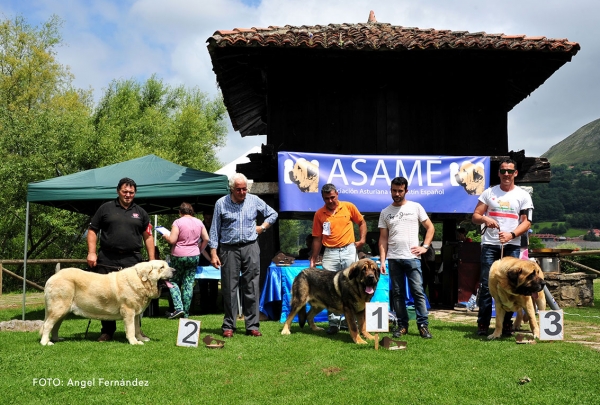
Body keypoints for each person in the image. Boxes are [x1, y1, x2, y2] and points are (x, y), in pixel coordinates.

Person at [209, 173, 278, 338]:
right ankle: (229, 326)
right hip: (228, 248)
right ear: (231, 189)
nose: (242, 192)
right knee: (229, 287)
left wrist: (262, 227)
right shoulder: (221, 203)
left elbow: (273, 214)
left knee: (252, 286)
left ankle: (252, 325)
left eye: (244, 189)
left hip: (250, 246)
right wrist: (213, 252)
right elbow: (214, 229)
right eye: (238, 189)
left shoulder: (254, 200)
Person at [87, 177, 155, 342]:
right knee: (107, 295)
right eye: (125, 191)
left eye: (131, 192)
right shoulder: (105, 208)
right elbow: (92, 230)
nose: (128, 194)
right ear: (118, 191)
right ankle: (107, 331)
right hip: (107, 257)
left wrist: (152, 260)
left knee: (136, 296)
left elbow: (148, 236)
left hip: (133, 260)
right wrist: (92, 252)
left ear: (135, 193)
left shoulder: (141, 212)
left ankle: (136, 332)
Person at [472, 158, 533, 336]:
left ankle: (506, 325)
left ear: (516, 173)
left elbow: (527, 222)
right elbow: (475, 216)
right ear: (498, 173)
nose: (506, 174)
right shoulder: (489, 193)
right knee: (486, 285)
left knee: (511, 286)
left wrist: (511, 235)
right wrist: (485, 219)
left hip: (512, 246)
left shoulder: (523, 195)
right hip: (490, 245)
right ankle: (483, 324)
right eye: (503, 171)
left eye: (510, 171)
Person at [378, 176, 435, 339]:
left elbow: (430, 227)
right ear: (390, 191)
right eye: (394, 191)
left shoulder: (415, 207)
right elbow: (383, 238)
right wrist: (383, 260)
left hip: (412, 258)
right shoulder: (385, 212)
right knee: (397, 294)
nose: (397, 194)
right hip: (393, 258)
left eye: (400, 191)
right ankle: (402, 325)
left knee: (418, 292)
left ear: (406, 191)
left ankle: (423, 325)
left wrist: (425, 247)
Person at [309, 183, 367, 335]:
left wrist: (362, 240)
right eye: (327, 198)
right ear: (323, 198)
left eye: (332, 197)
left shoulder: (348, 207)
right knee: (329, 287)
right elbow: (317, 238)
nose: (330, 201)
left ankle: (352, 323)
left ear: (337, 194)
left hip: (349, 250)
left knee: (353, 285)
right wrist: (313, 258)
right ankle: (333, 324)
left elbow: (361, 222)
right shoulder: (319, 214)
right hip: (330, 252)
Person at [161, 202, 209, 319]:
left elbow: (172, 240)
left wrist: (165, 236)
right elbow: (206, 238)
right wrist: (200, 249)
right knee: (188, 284)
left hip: (178, 255)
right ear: (191, 212)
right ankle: (186, 313)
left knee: (173, 281)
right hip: (194, 256)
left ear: (180, 212)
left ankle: (178, 308)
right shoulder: (199, 222)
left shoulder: (178, 222)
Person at [198, 208, 219, 314]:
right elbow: (200, 247)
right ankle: (204, 308)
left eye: (210, 218)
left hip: (215, 259)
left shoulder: (216, 227)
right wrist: (210, 259)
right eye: (206, 218)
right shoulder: (200, 227)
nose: (208, 220)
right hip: (203, 260)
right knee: (203, 286)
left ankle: (214, 306)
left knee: (214, 285)